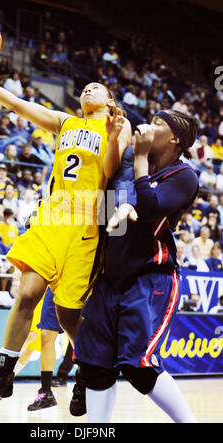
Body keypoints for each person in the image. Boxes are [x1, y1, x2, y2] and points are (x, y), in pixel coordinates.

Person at [0, 48, 131, 401]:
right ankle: (3, 375)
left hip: (88, 225)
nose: (87, 90)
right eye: (85, 87)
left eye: (96, 87)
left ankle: (90, 372)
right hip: (52, 218)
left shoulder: (118, 126)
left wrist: (112, 138)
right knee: (28, 293)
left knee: (68, 315)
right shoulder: (66, 122)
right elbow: (18, 105)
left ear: (112, 102)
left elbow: (111, 173)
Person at [73, 109, 199, 423]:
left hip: (151, 278)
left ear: (174, 139)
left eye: (158, 123)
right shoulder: (128, 165)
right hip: (110, 278)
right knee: (95, 365)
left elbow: (150, 206)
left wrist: (140, 160)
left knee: (137, 365)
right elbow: (109, 218)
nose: (148, 126)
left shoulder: (184, 176)